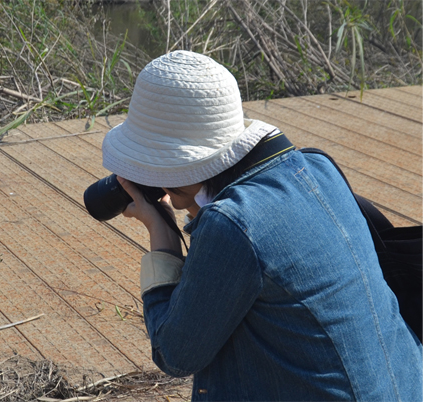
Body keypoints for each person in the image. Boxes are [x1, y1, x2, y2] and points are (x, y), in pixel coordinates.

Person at [101, 50, 422, 401]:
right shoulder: (316, 167)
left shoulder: (231, 224)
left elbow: (175, 354)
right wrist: (189, 201)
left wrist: (161, 235)